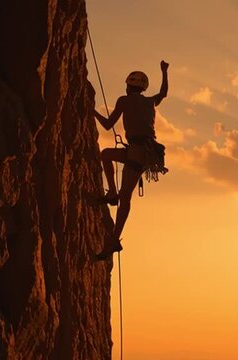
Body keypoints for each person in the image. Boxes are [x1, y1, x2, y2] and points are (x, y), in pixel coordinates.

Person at [94, 60, 170, 260]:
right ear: (143, 87)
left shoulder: (124, 101)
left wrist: (91, 111)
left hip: (137, 152)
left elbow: (108, 125)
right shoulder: (149, 101)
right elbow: (163, 93)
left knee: (125, 196)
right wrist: (164, 72)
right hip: (143, 152)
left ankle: (114, 240)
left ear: (128, 86)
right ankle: (111, 195)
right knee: (106, 154)